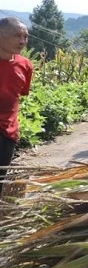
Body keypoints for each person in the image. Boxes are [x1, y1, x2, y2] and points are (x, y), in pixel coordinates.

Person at [1, 17, 33, 194]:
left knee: (0, 178)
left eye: (25, 37)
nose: (22, 41)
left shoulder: (25, 65)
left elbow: (18, 95)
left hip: (8, 133)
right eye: (17, 36)